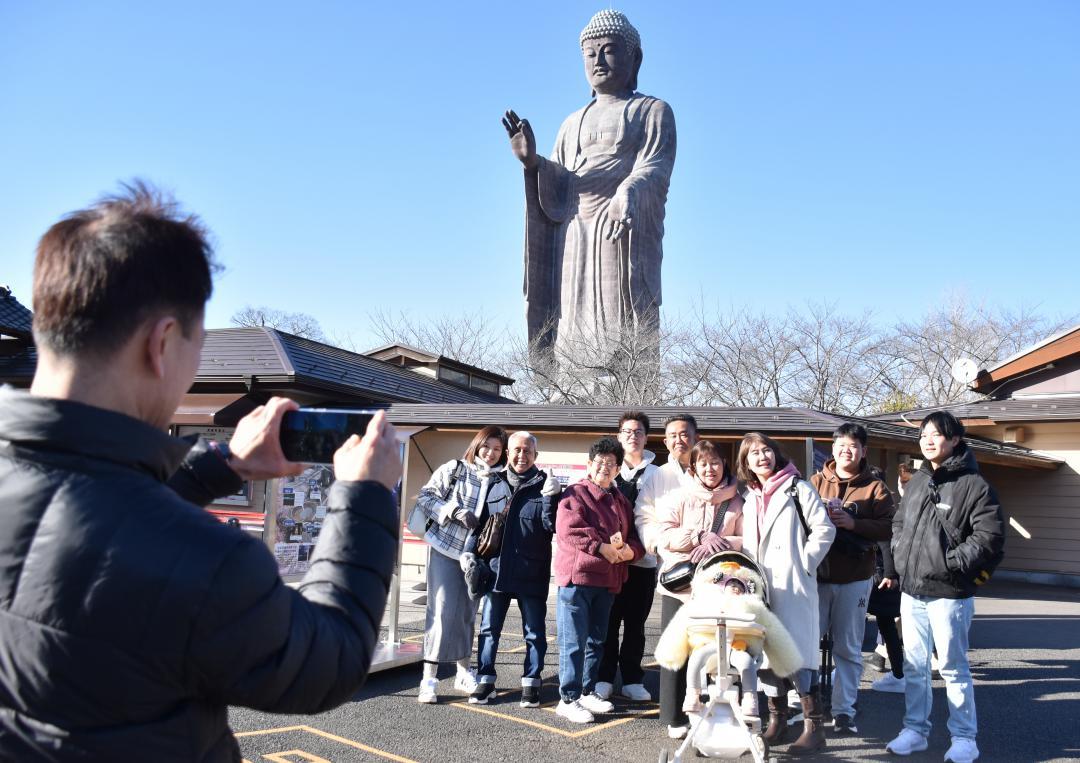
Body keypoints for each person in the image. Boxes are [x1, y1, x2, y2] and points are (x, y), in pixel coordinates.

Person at [0, 183, 402, 761]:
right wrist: (363, 497)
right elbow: (327, 660)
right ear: (162, 343)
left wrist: (221, 466)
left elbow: (80, 519)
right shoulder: (208, 561)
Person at [504, 9, 676, 361]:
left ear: (635, 58)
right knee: (570, 318)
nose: (598, 60)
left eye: (609, 50)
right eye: (589, 53)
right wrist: (533, 162)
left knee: (618, 318)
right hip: (573, 233)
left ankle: (624, 380)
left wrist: (628, 190)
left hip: (619, 230)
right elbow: (560, 180)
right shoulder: (572, 122)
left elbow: (655, 166)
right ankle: (569, 381)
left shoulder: (652, 110)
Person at [886, 412, 1004, 763]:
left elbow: (989, 537)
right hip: (912, 591)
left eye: (936, 434)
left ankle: (965, 737)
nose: (927, 440)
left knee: (953, 668)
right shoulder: (918, 481)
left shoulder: (975, 485)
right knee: (914, 666)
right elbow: (899, 522)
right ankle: (915, 730)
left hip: (949, 595)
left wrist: (951, 564)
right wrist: (898, 553)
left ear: (954, 440)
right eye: (923, 434)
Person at [738, 432, 835, 756]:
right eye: (754, 453)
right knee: (766, 657)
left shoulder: (798, 488)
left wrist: (805, 563)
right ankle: (777, 722)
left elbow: (824, 529)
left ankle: (814, 728)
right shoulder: (750, 497)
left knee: (798, 656)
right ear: (746, 463)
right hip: (763, 587)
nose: (762, 457)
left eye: (766, 450)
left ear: (775, 454)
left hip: (792, 584)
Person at [409, 426, 512, 704]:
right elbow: (426, 497)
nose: (490, 453)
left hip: (477, 557)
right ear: (477, 445)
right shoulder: (455, 469)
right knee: (441, 612)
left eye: (497, 449)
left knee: (468, 614)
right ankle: (429, 678)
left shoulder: (502, 482)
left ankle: (464, 672)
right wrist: (454, 511)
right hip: (445, 548)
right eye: (486, 446)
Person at [810, 422, 895, 734]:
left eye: (853, 446)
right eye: (841, 446)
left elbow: (889, 528)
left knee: (848, 647)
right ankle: (806, 707)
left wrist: (853, 523)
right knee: (808, 644)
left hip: (855, 577)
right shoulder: (815, 482)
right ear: (832, 449)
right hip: (817, 577)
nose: (847, 451)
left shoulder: (875, 488)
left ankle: (844, 710)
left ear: (863, 451)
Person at [553, 437, 645, 724]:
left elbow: (633, 536)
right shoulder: (576, 493)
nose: (605, 467)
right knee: (573, 641)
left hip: (608, 580)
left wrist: (632, 551)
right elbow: (569, 528)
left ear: (618, 469)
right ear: (589, 465)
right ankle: (568, 698)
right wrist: (600, 547)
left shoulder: (620, 500)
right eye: (600, 462)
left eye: (611, 463)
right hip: (578, 578)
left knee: (596, 640)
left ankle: (586, 690)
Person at [469, 431, 560, 708]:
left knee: (534, 632)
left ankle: (532, 683)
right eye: (517, 450)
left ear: (536, 455)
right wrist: (469, 554)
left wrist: (551, 498)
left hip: (532, 573)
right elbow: (480, 525)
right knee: (488, 630)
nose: (522, 455)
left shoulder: (546, 485)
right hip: (496, 571)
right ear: (509, 453)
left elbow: (552, 526)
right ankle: (485, 681)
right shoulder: (493, 483)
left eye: (527, 451)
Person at [656, 440, 746, 715]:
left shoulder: (737, 501)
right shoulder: (679, 496)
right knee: (676, 650)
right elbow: (664, 535)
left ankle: (720, 714)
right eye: (703, 464)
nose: (710, 469)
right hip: (681, 586)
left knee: (721, 651)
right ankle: (673, 716)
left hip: (721, 587)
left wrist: (720, 543)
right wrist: (697, 536)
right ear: (693, 467)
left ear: (724, 464)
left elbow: (748, 540)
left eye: (715, 462)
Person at [634, 413, 699, 737]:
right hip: (675, 569)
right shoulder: (658, 475)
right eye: (672, 435)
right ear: (665, 440)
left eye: (684, 433)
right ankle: (673, 716)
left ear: (696, 437)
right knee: (676, 641)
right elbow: (644, 514)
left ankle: (704, 710)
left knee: (708, 644)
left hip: (710, 570)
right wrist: (656, 544)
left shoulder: (709, 468)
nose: (678, 440)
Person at [596, 410, 659, 703]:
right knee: (608, 621)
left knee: (636, 623)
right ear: (619, 436)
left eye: (638, 432)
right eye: (627, 432)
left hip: (643, 562)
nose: (632, 436)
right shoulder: (609, 469)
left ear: (646, 438)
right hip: (610, 561)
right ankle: (604, 677)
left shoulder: (659, 474)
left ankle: (632, 678)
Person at [869, 462, 913, 693]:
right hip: (884, 575)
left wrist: (889, 573)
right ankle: (898, 674)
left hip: (880, 575)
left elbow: (886, 543)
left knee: (879, 626)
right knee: (887, 627)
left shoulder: (880, 508)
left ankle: (898, 675)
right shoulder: (889, 507)